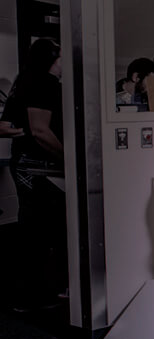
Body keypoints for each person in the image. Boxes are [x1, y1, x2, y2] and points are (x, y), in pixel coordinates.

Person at [7, 38, 67, 312]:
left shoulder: (25, 81)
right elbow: (41, 131)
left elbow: (9, 124)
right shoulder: (44, 84)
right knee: (39, 228)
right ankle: (32, 296)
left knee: (37, 226)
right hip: (36, 164)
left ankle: (36, 292)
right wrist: (69, 160)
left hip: (24, 160)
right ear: (52, 59)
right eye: (61, 57)